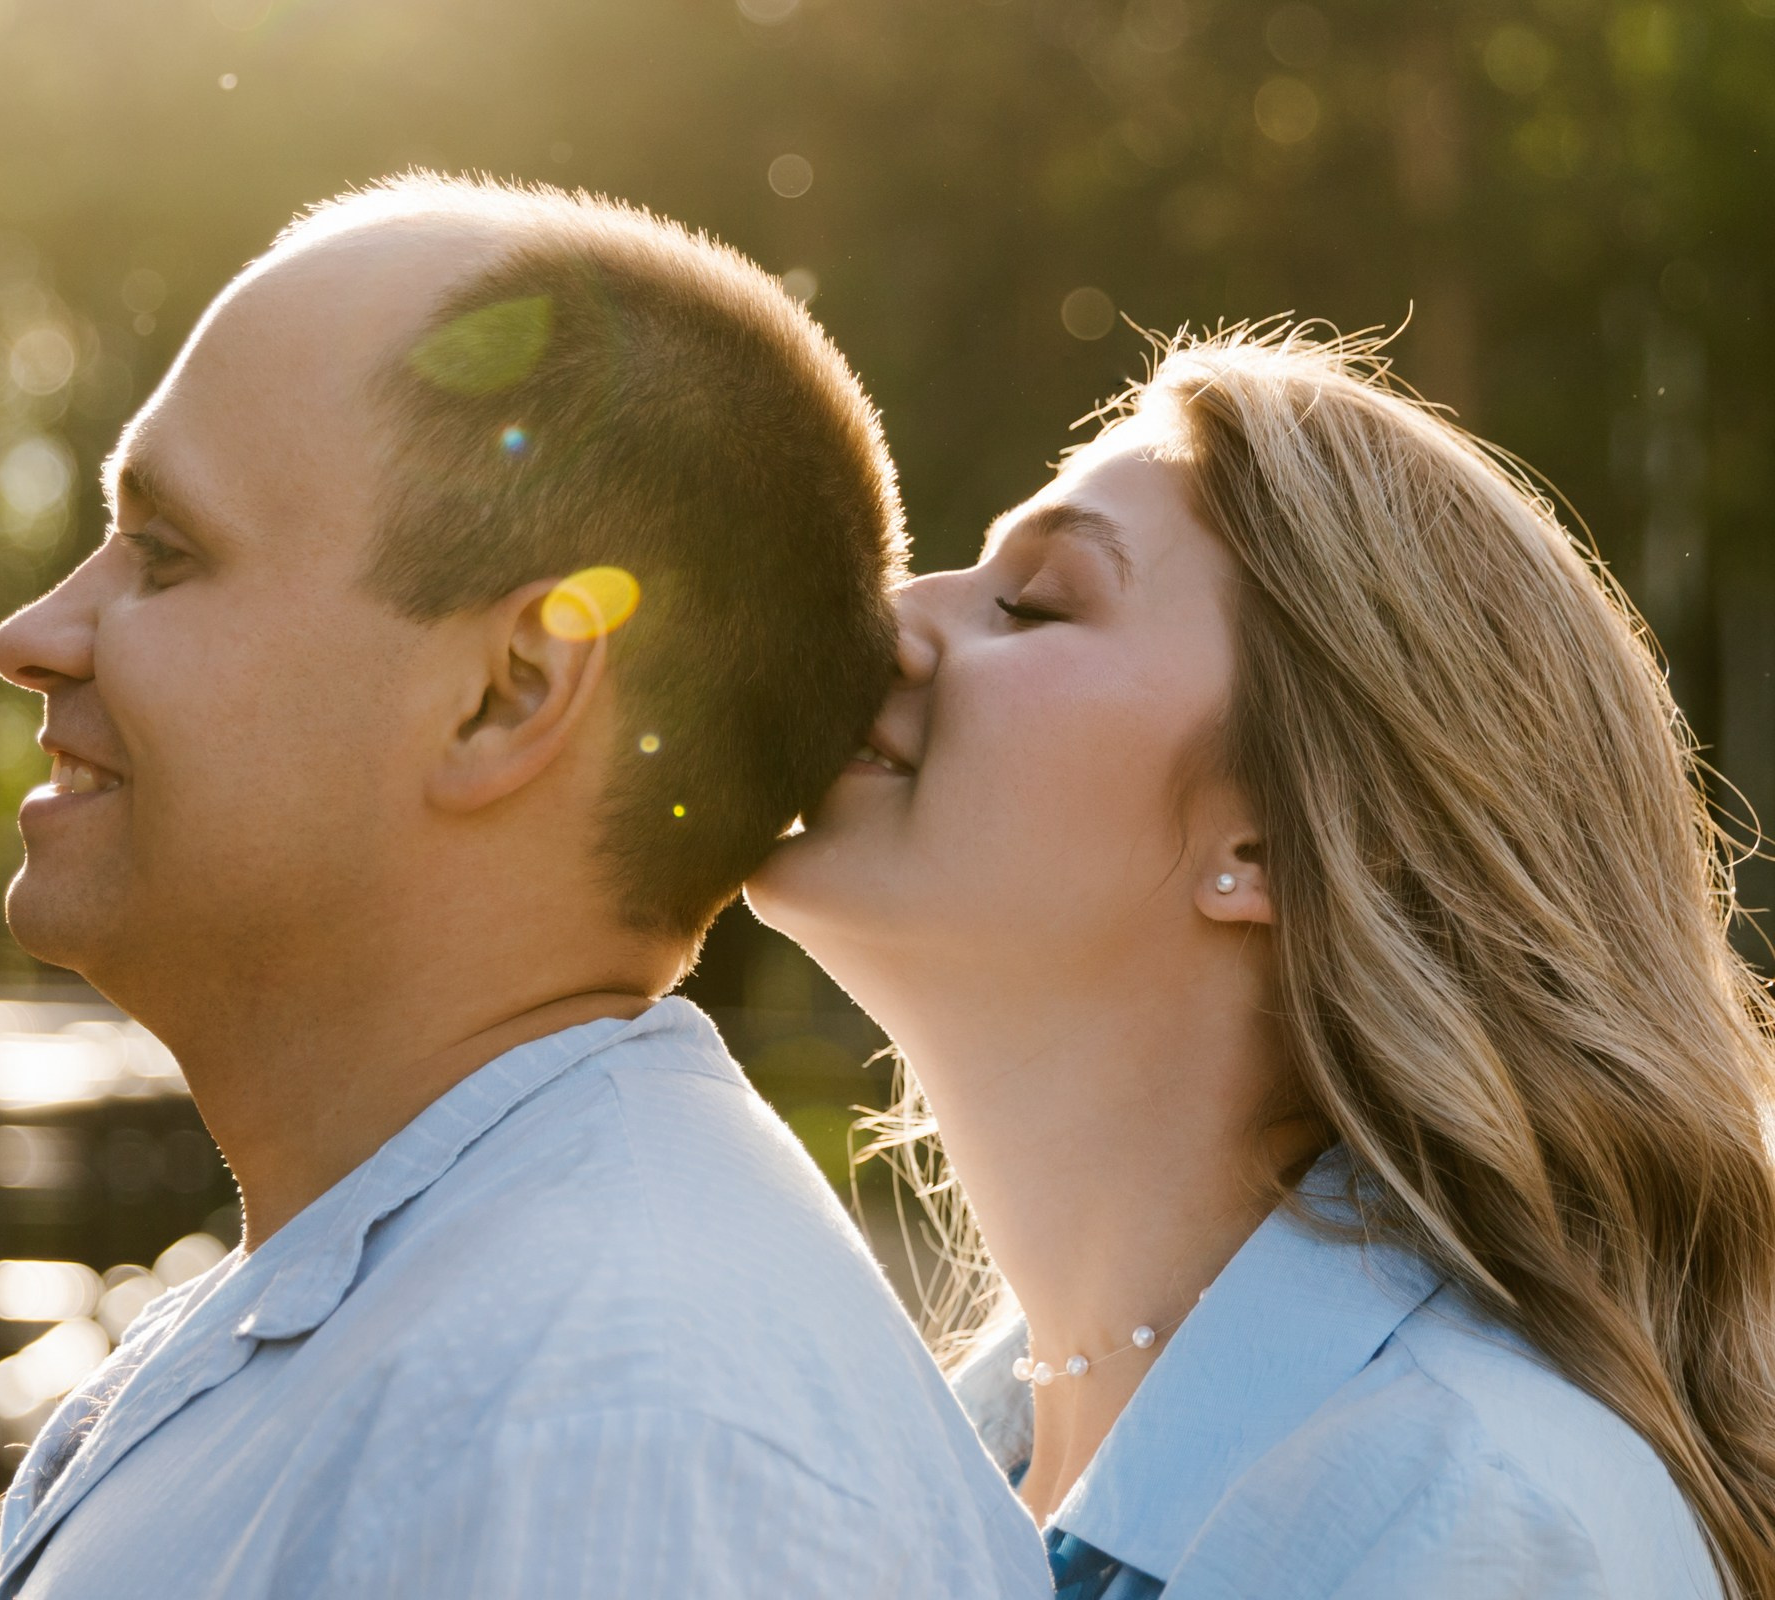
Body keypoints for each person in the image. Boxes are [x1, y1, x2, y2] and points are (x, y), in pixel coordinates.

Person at [0, 175, 1048, 1599]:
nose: (34, 635)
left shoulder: (621, 1441)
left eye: (167, 556)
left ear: (508, 694)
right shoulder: (499, 1340)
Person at [750, 326, 1775, 1597]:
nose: (892, 620)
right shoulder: (964, 1465)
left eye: (1034, 601)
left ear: (1277, 838)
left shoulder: (1462, 1525)